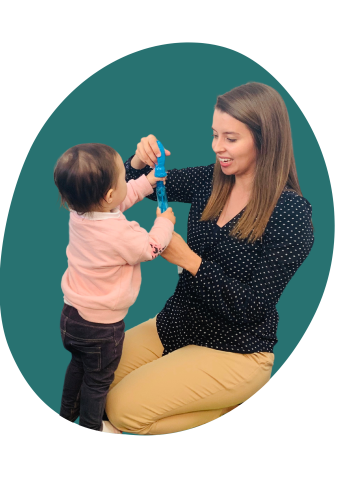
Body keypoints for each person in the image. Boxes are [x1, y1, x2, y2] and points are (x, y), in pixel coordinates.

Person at [103, 82, 315, 435]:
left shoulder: (291, 214)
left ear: (265, 140)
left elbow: (253, 307)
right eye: (215, 135)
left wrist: (189, 259)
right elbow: (120, 193)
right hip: (176, 325)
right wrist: (137, 161)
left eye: (231, 139)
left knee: (122, 411)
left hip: (236, 348)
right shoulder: (212, 179)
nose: (218, 147)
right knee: (93, 379)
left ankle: (229, 406)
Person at [53, 143, 176, 432]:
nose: (127, 182)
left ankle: (66, 413)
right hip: (101, 328)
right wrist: (164, 223)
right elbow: (151, 247)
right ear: (109, 194)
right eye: (124, 178)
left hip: (71, 317)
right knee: (98, 382)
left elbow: (120, 199)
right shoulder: (121, 234)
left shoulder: (80, 213)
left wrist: (146, 182)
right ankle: (93, 426)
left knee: (77, 367)